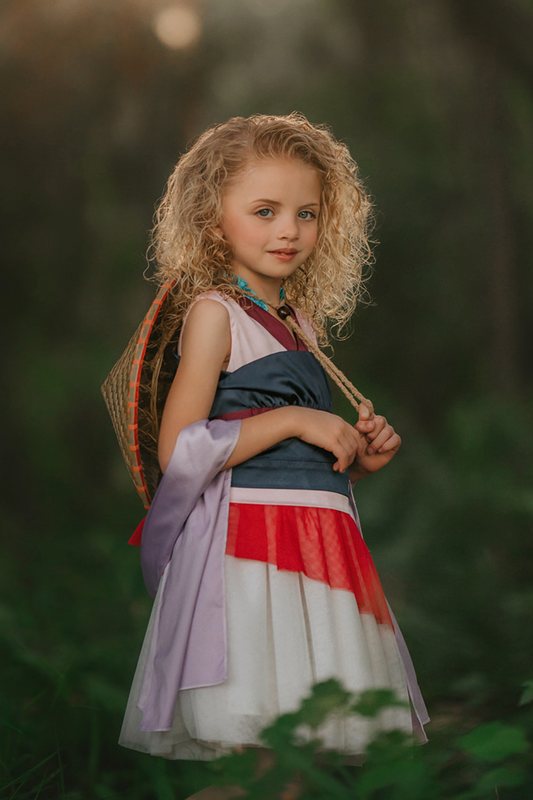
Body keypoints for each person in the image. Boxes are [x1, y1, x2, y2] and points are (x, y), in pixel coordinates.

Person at [112, 113, 428, 799]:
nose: (288, 230)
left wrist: (355, 456)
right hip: (253, 551)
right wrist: (295, 418)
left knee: (291, 770)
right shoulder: (213, 315)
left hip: (318, 547)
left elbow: (303, 457)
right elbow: (181, 448)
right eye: (264, 210)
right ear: (213, 217)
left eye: (306, 213)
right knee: (268, 757)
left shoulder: (299, 325)